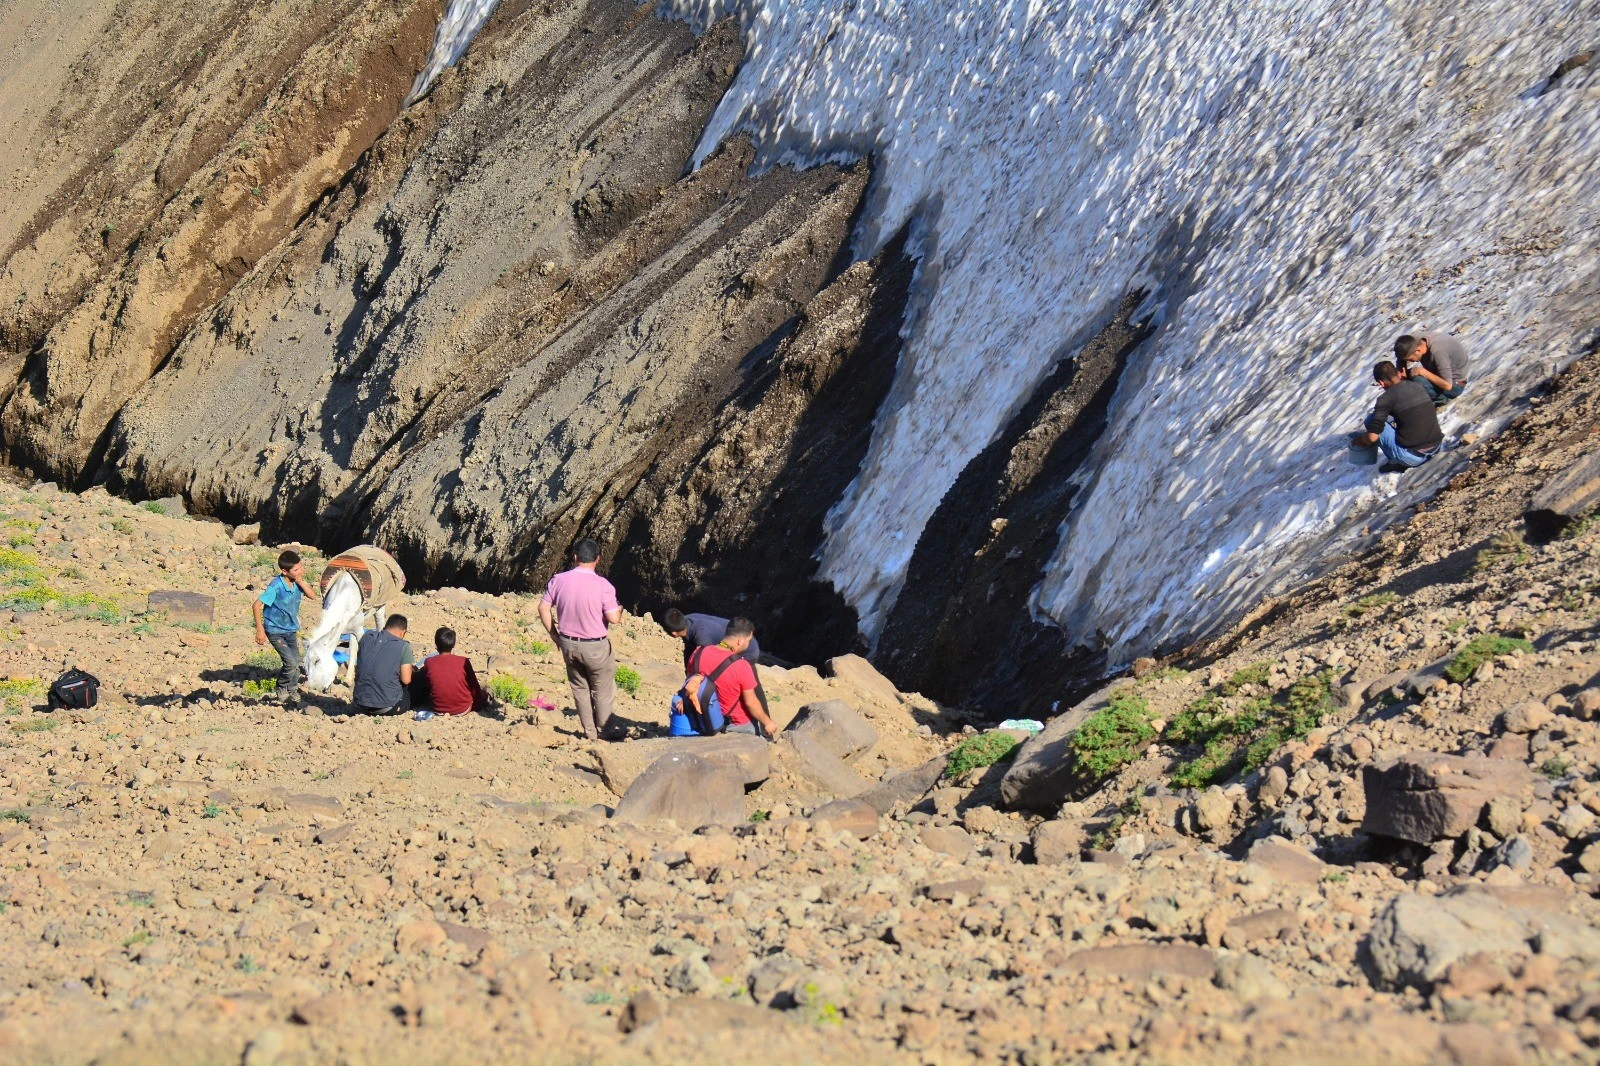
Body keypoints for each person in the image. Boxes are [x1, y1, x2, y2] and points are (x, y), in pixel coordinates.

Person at [538, 537, 622, 742]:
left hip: (568, 643)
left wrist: (554, 635)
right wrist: (619, 609)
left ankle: (589, 733)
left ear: (575, 557)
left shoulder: (558, 580)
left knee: (580, 689)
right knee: (601, 689)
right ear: (598, 559)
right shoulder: (604, 585)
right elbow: (613, 618)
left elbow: (543, 607)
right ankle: (605, 730)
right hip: (595, 645)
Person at [661, 608, 771, 720]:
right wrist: (687, 687)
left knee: (749, 689)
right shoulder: (688, 621)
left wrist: (688, 697)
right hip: (734, 644)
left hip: (746, 647)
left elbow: (706, 669)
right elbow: (690, 656)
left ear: (674, 634)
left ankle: (764, 729)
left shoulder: (702, 637)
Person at [683, 617, 778, 739]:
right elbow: (751, 703)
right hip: (735, 724)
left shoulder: (698, 652)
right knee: (756, 733)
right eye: (748, 641)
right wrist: (767, 722)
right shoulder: (741, 666)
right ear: (740, 641)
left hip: (703, 717)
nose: (748, 645)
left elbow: (691, 681)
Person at [1352, 360, 1443, 472]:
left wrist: (1362, 439)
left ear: (1381, 383)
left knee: (1371, 420)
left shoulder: (1385, 399)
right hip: (1437, 446)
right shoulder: (1417, 386)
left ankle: (1395, 461)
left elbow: (1372, 437)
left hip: (1413, 457)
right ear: (1398, 374)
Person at [253, 550, 314, 707]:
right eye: (296, 570)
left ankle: (292, 690)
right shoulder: (276, 586)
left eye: (301, 568)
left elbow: (312, 596)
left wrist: (300, 581)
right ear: (284, 571)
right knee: (290, 663)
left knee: (297, 663)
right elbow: (256, 605)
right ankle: (281, 688)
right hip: (275, 630)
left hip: (290, 629)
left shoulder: (296, 583)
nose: (300, 572)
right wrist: (260, 630)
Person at [351, 614, 415, 715]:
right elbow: (406, 680)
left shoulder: (367, 637)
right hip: (388, 707)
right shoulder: (403, 646)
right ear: (403, 631)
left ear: (386, 627)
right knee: (416, 684)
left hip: (360, 703)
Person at [417, 626, 487, 717]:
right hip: (462, 709)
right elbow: (474, 687)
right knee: (484, 693)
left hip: (438, 709)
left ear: (436, 644)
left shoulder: (429, 662)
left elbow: (429, 685)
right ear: (453, 644)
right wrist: (480, 703)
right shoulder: (463, 661)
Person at [1394, 331, 1468, 406]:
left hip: (1455, 384)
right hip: (1439, 373)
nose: (1408, 362)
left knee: (1419, 380)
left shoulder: (1438, 352)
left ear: (1418, 351)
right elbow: (1401, 359)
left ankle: (1441, 399)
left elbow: (1448, 385)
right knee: (1408, 378)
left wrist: (1423, 372)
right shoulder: (1413, 341)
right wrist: (1404, 378)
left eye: (1409, 359)